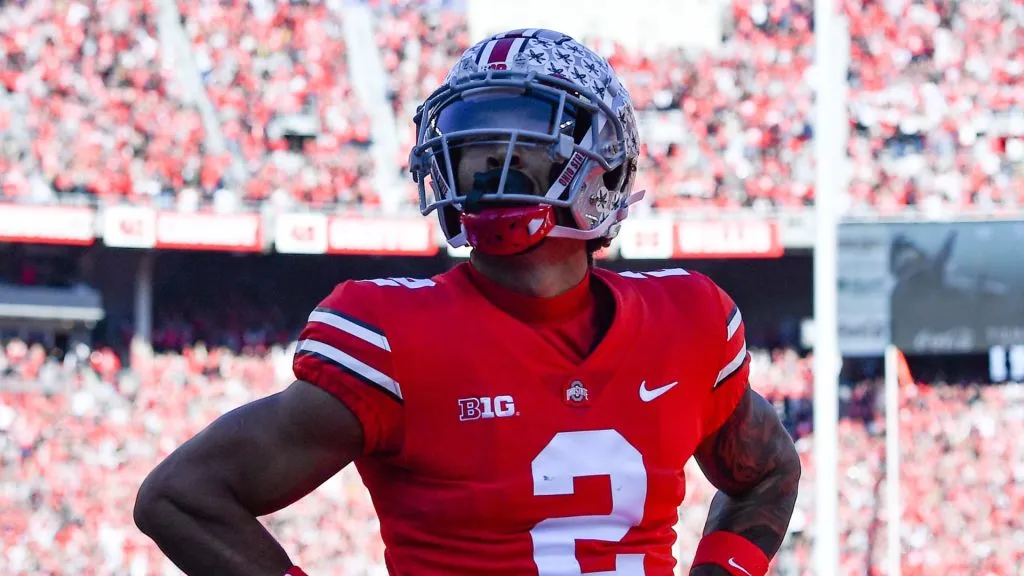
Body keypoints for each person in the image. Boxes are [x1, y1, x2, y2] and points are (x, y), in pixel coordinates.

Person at [134, 29, 801, 576]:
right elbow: (182, 496)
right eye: (472, 139)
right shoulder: (395, 334)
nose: (484, 164)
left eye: (519, 138)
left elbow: (767, 473)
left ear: (605, 166)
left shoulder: (686, 319)